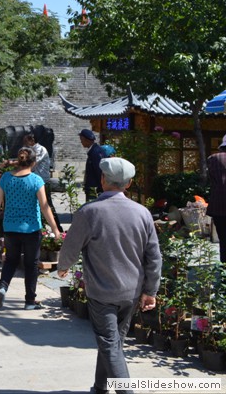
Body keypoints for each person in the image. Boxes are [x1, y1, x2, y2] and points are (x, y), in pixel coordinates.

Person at [57, 158, 161, 394]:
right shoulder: (142, 213)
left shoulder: (90, 212)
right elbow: (154, 257)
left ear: (102, 180)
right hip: (131, 293)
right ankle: (100, 387)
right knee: (112, 344)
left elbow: (71, 246)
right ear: (129, 183)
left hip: (102, 293)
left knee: (110, 345)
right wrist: (150, 291)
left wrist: (64, 266)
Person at [0, 146, 61, 309]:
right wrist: (55, 228)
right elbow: (45, 206)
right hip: (31, 228)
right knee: (31, 264)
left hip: (10, 227)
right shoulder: (36, 180)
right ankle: (30, 301)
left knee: (10, 261)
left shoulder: (6, 178)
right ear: (34, 162)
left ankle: (3, 287)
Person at [23, 132, 62, 232]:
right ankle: (41, 228)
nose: (25, 143)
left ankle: (57, 228)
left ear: (32, 140)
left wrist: (19, 167)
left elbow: (33, 163)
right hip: (34, 181)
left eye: (27, 141)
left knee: (47, 204)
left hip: (42, 181)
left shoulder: (40, 149)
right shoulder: (31, 150)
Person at [206, 134, 226, 263]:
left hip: (219, 206)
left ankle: (224, 273)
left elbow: (211, 180)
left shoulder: (213, 159)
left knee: (223, 240)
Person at [79, 128, 107, 201]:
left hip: (95, 190)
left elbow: (100, 172)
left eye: (81, 140)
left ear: (86, 140)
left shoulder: (96, 153)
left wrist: (101, 189)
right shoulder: (93, 151)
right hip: (92, 189)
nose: (81, 142)